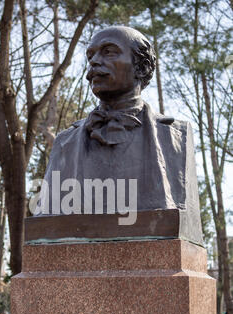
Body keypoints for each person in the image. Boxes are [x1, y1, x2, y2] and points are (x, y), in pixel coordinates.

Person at [39, 26, 203, 245]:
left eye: (108, 52)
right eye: (91, 55)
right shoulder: (64, 143)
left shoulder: (175, 136)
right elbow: (46, 225)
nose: (94, 61)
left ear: (142, 67)